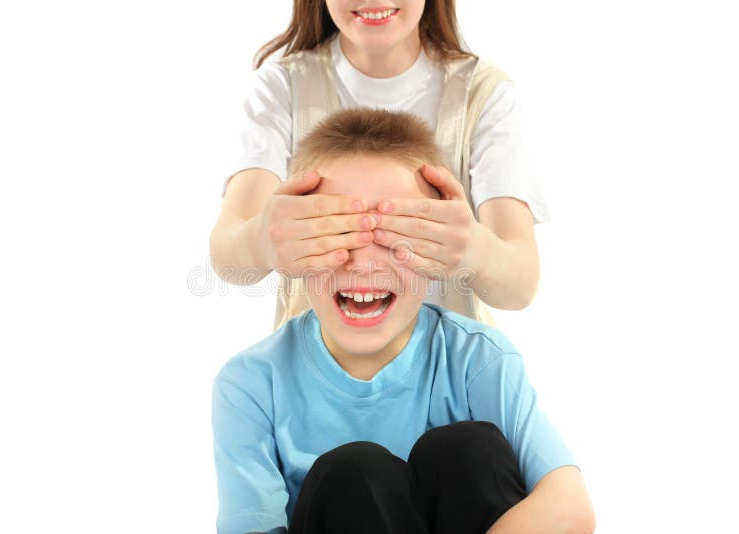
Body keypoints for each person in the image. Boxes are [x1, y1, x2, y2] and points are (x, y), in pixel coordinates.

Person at [211, 109, 595, 534]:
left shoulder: (478, 359)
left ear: (442, 251)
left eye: (399, 235)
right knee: (355, 472)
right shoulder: (251, 383)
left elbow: (569, 508)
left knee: (469, 449)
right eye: (335, 233)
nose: (366, 266)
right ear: (290, 247)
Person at [210, 0, 546, 330]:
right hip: (313, 376)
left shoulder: (483, 94)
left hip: (447, 379)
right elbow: (228, 256)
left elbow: (521, 286)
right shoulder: (282, 88)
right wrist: (260, 241)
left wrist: (476, 250)